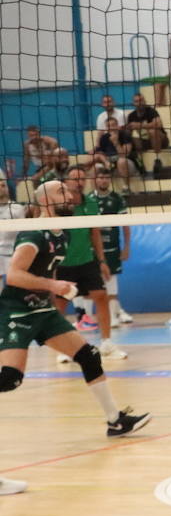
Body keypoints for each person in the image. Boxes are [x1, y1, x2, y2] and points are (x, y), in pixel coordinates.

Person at [1, 180, 150, 436]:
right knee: (10, 379)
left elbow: (49, 268)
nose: (69, 195)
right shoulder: (34, 233)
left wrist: (57, 287)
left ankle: (115, 421)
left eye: (68, 190)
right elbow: (14, 276)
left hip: (43, 311)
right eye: (61, 191)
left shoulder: (64, 231)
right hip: (17, 311)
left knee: (89, 356)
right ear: (45, 200)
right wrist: (54, 285)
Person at [55, 166, 127, 360]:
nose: (79, 182)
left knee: (101, 296)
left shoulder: (92, 202)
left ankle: (107, 343)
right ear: (66, 182)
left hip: (87, 261)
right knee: (60, 305)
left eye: (82, 178)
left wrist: (102, 260)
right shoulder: (60, 205)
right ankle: (64, 350)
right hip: (64, 263)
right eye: (75, 178)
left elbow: (94, 232)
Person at [89, 168, 132, 328]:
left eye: (107, 177)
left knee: (112, 283)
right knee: (93, 286)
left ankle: (113, 315)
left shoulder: (117, 199)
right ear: (95, 179)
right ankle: (87, 316)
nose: (104, 180)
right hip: (93, 250)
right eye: (101, 177)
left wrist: (127, 246)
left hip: (112, 249)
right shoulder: (88, 199)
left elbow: (125, 225)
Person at [89, 118, 139, 191]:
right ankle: (95, 193)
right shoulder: (104, 137)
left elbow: (124, 155)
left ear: (118, 126)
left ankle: (126, 187)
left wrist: (116, 143)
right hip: (111, 166)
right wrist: (105, 162)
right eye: (108, 126)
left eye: (113, 125)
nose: (111, 128)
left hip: (127, 166)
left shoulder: (125, 135)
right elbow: (99, 154)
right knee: (95, 167)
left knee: (121, 161)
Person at [125, 93, 169, 176]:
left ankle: (157, 159)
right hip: (145, 142)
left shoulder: (151, 111)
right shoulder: (131, 116)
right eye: (137, 101)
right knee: (130, 138)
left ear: (144, 101)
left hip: (161, 140)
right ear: (134, 104)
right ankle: (139, 164)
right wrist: (126, 129)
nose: (140, 103)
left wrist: (140, 125)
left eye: (141, 100)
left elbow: (159, 124)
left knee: (153, 131)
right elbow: (128, 134)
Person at [0, 183, 29, 279]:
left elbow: (23, 233)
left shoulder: (17, 208)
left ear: (8, 189)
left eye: (3, 185)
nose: (1, 188)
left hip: (12, 255)